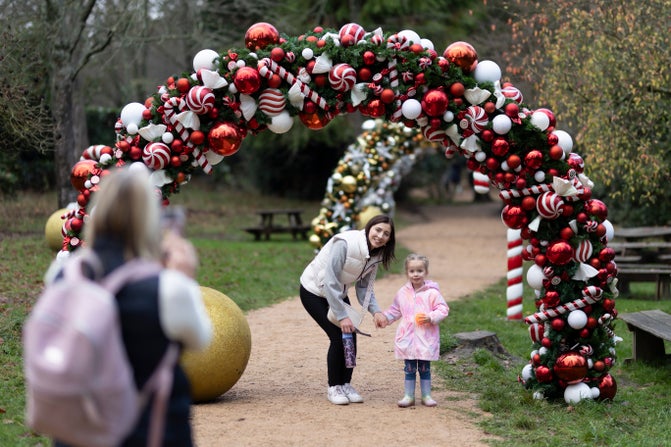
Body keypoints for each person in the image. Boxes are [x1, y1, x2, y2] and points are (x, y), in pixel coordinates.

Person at [52, 164, 212, 447]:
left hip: (77, 432)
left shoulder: (63, 274)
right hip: (151, 430)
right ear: (150, 220)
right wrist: (184, 278)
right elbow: (201, 339)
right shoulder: (167, 287)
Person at [300, 214, 396, 405]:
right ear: (369, 228)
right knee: (338, 335)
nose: (380, 235)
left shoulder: (375, 254)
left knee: (350, 336)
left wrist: (376, 311)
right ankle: (334, 387)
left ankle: (345, 383)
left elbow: (364, 288)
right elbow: (329, 280)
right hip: (314, 290)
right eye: (377, 230)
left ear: (389, 239)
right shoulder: (345, 243)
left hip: (338, 293)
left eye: (386, 233)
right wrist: (343, 316)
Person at [383, 253, 449, 408]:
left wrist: (431, 317)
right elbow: (395, 310)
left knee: (425, 367)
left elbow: (443, 309)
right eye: (412, 271)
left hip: (426, 336)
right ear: (407, 273)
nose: (416, 274)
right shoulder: (402, 293)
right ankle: (408, 395)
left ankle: (426, 395)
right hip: (408, 336)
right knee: (409, 368)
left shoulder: (432, 293)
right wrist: (385, 318)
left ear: (425, 272)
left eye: (419, 270)